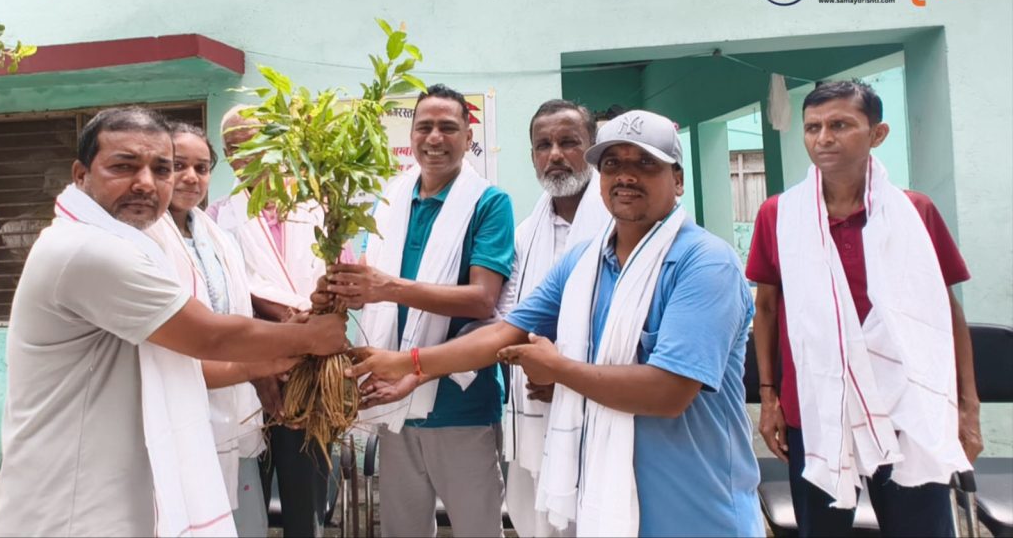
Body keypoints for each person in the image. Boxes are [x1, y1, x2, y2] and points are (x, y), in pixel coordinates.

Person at [336, 110, 762, 537]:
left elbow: (669, 392)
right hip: (604, 499)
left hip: (695, 504)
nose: (626, 176)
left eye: (646, 163)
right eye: (612, 163)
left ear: (678, 180)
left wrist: (560, 370)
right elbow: (504, 332)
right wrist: (407, 363)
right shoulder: (583, 263)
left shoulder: (705, 265)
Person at [0, 106, 347, 537]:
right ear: (81, 174)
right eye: (124, 166)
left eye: (161, 169)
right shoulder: (88, 250)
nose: (146, 182)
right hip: (70, 501)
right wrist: (310, 337)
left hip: (112, 486)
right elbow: (208, 335)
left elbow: (199, 344)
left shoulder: (151, 241)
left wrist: (271, 361)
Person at [746, 80, 982, 537]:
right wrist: (770, 398)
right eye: (812, 127)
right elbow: (768, 309)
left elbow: (945, 315)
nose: (823, 138)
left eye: (840, 125)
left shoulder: (914, 212)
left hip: (907, 407)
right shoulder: (780, 215)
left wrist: (967, 407)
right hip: (816, 407)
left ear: (877, 133)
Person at [326, 84, 515, 537]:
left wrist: (387, 288)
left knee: (477, 529)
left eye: (448, 127)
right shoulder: (390, 200)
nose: (434, 138)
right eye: (424, 127)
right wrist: (339, 289)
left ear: (468, 138)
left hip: (461, 404)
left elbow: (482, 299)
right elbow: (370, 284)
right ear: (410, 135)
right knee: (402, 529)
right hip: (391, 397)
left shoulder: (489, 203)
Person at [207, 105, 346, 538]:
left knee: (305, 501)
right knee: (247, 494)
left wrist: (316, 315)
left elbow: (342, 274)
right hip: (248, 371)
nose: (243, 156)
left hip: (310, 372)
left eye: (253, 142)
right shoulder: (217, 218)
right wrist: (288, 319)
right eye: (232, 148)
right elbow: (223, 290)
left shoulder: (318, 207)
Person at [145, 121, 274, 537]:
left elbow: (238, 313)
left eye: (201, 168)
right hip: (174, 405)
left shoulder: (217, 236)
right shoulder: (142, 236)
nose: (190, 177)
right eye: (177, 165)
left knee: (241, 522)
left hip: (231, 407)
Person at [496, 99, 610, 538]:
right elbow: (509, 316)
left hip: (603, 407)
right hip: (535, 402)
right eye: (543, 145)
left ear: (592, 148)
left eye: (568, 142)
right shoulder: (525, 234)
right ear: (532, 156)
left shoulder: (619, 227)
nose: (555, 155)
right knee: (538, 521)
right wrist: (533, 364)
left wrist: (563, 374)